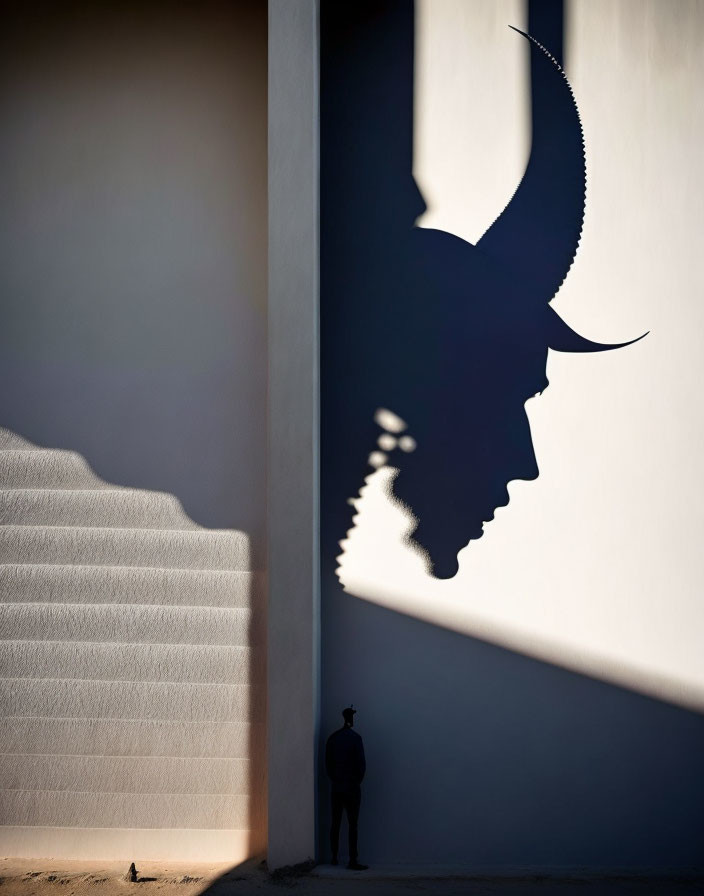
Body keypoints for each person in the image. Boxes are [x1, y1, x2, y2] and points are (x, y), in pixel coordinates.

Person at [325, 705, 368, 870]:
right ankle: (352, 860)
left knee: (335, 823)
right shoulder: (356, 739)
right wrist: (356, 781)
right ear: (350, 718)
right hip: (351, 788)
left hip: (336, 787)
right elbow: (362, 765)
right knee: (353, 824)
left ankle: (334, 857)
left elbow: (327, 765)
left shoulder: (333, 738)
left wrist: (335, 780)